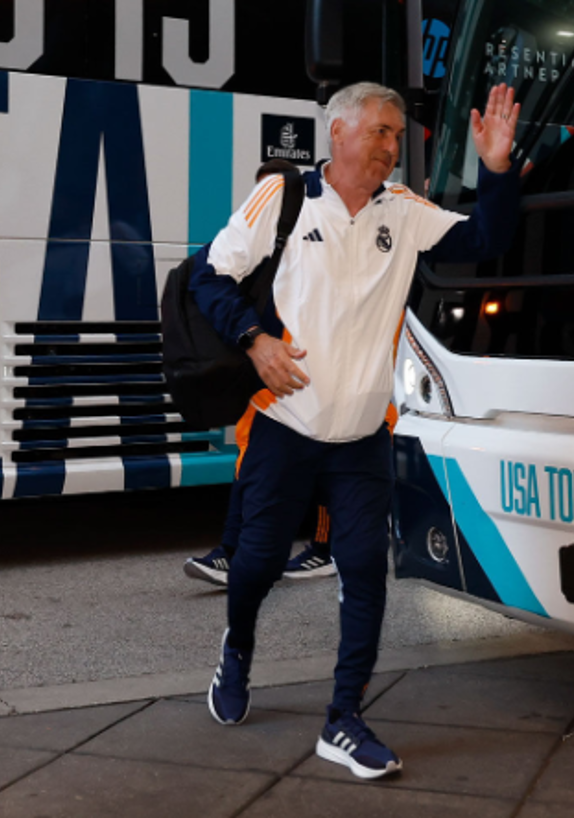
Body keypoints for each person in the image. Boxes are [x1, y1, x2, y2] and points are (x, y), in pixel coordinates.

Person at [192, 80, 522, 779]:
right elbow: (210, 277)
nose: (391, 148)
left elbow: (488, 241)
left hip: (362, 439)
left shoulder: (403, 212)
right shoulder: (282, 199)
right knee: (254, 563)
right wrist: (255, 339)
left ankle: (343, 720)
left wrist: (495, 170)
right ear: (338, 132)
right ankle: (237, 649)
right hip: (285, 429)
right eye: (380, 132)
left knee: (366, 571)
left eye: (398, 137)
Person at [184, 158, 335, 588]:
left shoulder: (316, 227)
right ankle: (262, 551)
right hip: (290, 362)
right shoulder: (263, 236)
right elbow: (210, 272)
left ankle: (245, 553)